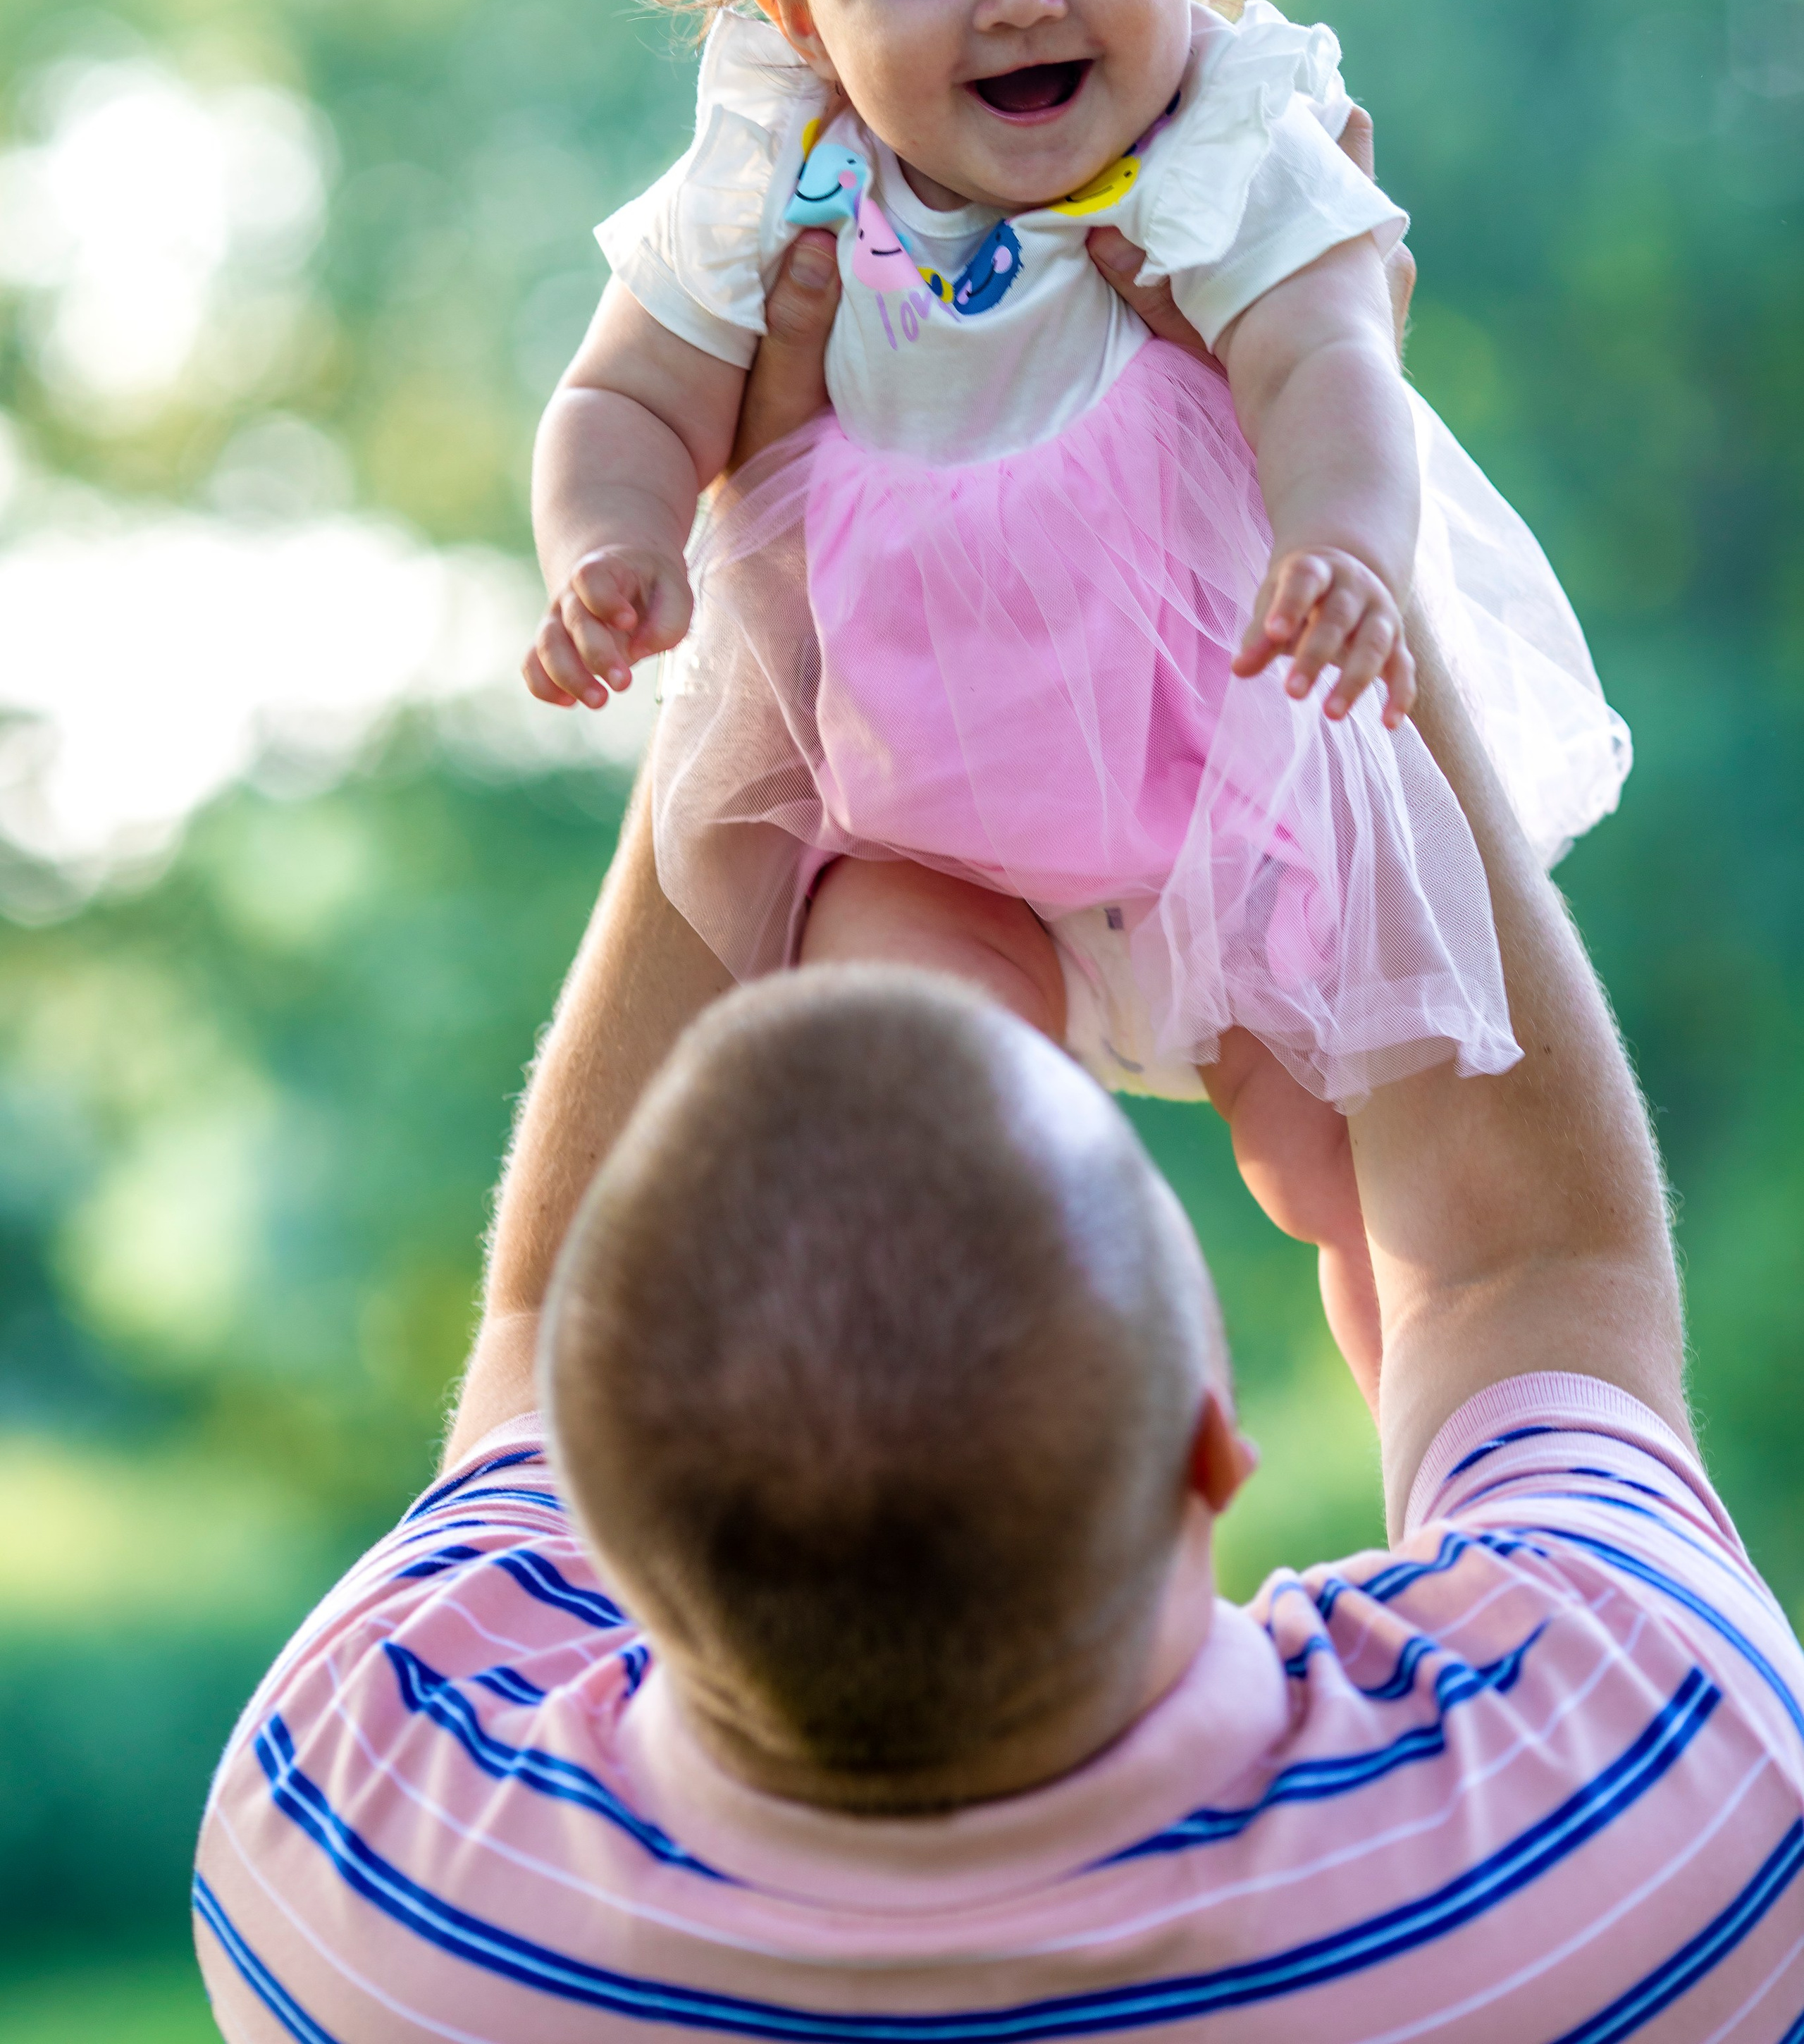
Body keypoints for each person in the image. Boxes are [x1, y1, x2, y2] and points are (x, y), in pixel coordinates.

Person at [194, 242, 1804, 2043]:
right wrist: (1307, 505)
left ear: (618, 1526)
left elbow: (535, 1321)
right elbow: (1526, 1276)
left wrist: (772, 573)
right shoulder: (1653, 1822)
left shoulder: (351, 1875)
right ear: (1212, 1446)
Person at [520, 0, 1629, 1400]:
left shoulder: (1226, 142)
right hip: (919, 811)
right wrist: (613, 545)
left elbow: (1331, 358)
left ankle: (1444, 1465)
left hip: (1226, 757)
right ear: (803, 9)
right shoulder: (780, 173)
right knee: (930, 1113)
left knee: (1347, 1170)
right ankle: (1052, 1463)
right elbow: (622, 393)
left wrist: (1343, 543)